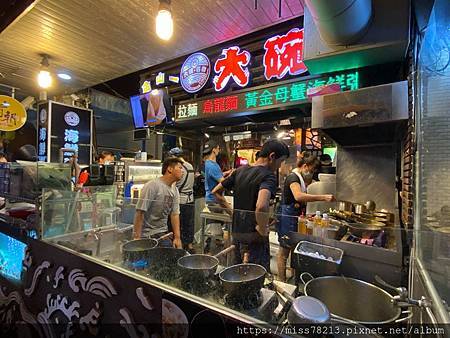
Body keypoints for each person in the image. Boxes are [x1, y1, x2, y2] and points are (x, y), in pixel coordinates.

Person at [212, 139, 290, 271]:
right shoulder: (269, 176)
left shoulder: (239, 171)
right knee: (255, 275)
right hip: (255, 237)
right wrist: (262, 226)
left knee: (236, 272)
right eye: (280, 161)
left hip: (237, 233)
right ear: (272, 157)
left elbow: (216, 192)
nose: (279, 166)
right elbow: (261, 206)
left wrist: (232, 212)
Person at [276, 153, 335, 282]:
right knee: (284, 250)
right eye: (312, 170)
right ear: (305, 166)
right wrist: (323, 197)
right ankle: (282, 281)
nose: (312, 173)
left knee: (293, 248)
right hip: (287, 216)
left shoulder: (301, 178)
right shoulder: (293, 177)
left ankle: (292, 277)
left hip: (294, 216)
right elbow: (298, 196)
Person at [133, 157, 183, 248]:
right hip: (147, 234)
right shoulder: (152, 186)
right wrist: (137, 238)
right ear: (170, 169)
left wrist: (177, 238)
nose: (182, 171)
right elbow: (140, 212)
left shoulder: (175, 190)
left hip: (162, 232)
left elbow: (174, 214)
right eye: (180, 168)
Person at [168, 147, 195, 252]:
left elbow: (173, 185)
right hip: (190, 200)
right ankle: (189, 247)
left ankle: (179, 249)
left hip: (181, 201)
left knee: (179, 226)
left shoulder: (177, 169)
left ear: (174, 156)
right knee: (189, 224)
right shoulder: (190, 166)